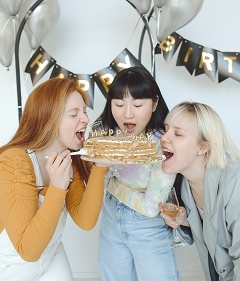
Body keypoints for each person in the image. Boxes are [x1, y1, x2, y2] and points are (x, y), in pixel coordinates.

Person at [0, 77, 108, 281]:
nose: (85, 119)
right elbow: (28, 251)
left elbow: (85, 221)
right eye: (74, 114)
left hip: (50, 257)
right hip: (10, 266)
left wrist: (99, 168)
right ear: (48, 119)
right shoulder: (14, 162)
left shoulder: (68, 158)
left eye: (84, 111)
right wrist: (58, 187)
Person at [93, 66, 180, 281]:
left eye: (138, 105)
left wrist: (111, 181)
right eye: (119, 104)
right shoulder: (108, 135)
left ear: (155, 104)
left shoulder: (163, 145)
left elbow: (151, 207)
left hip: (148, 228)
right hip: (110, 219)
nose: (127, 113)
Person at [159, 101, 240, 281]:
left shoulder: (235, 183)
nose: (164, 138)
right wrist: (185, 221)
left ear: (203, 147)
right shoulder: (186, 187)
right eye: (166, 130)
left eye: (178, 133)